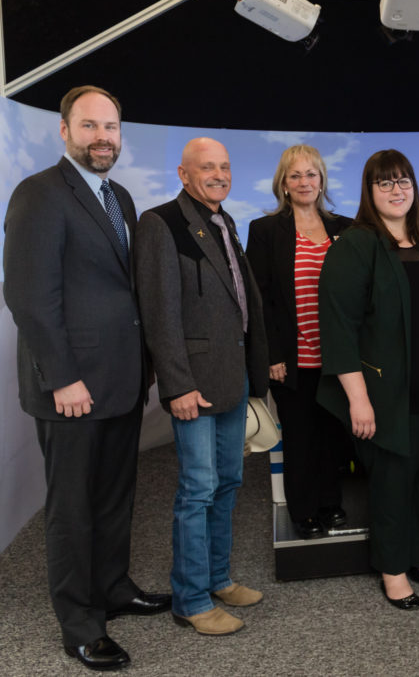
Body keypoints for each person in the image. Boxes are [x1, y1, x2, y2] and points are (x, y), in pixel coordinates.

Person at [2, 85, 170, 671]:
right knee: (72, 508)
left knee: (114, 498)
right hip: (72, 387)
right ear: (65, 131)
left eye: (112, 128)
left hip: (120, 380)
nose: (103, 137)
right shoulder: (41, 194)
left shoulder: (118, 195)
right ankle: (78, 622)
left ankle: (113, 588)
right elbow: (29, 297)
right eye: (90, 126)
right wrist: (63, 378)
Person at [317, 149, 419, 611]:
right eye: (384, 183)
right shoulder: (355, 245)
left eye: (403, 180)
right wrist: (358, 400)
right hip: (389, 398)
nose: (396, 189)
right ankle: (393, 569)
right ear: (369, 192)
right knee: (392, 486)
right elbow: (338, 325)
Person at [134, 137, 269, 636]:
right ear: (183, 173)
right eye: (206, 167)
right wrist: (176, 385)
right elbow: (159, 312)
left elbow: (238, 304)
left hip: (231, 381)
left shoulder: (224, 221)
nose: (219, 174)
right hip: (193, 386)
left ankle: (217, 577)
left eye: (225, 166)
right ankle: (190, 599)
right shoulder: (161, 223)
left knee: (229, 484)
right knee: (197, 490)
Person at [246, 145, 352, 540]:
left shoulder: (346, 228)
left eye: (312, 174)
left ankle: (331, 504)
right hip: (292, 358)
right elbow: (261, 299)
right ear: (283, 185)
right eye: (296, 176)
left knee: (333, 436)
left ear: (322, 181)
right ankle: (304, 511)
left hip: (338, 358)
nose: (305, 182)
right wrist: (272, 354)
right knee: (301, 438)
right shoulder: (265, 231)